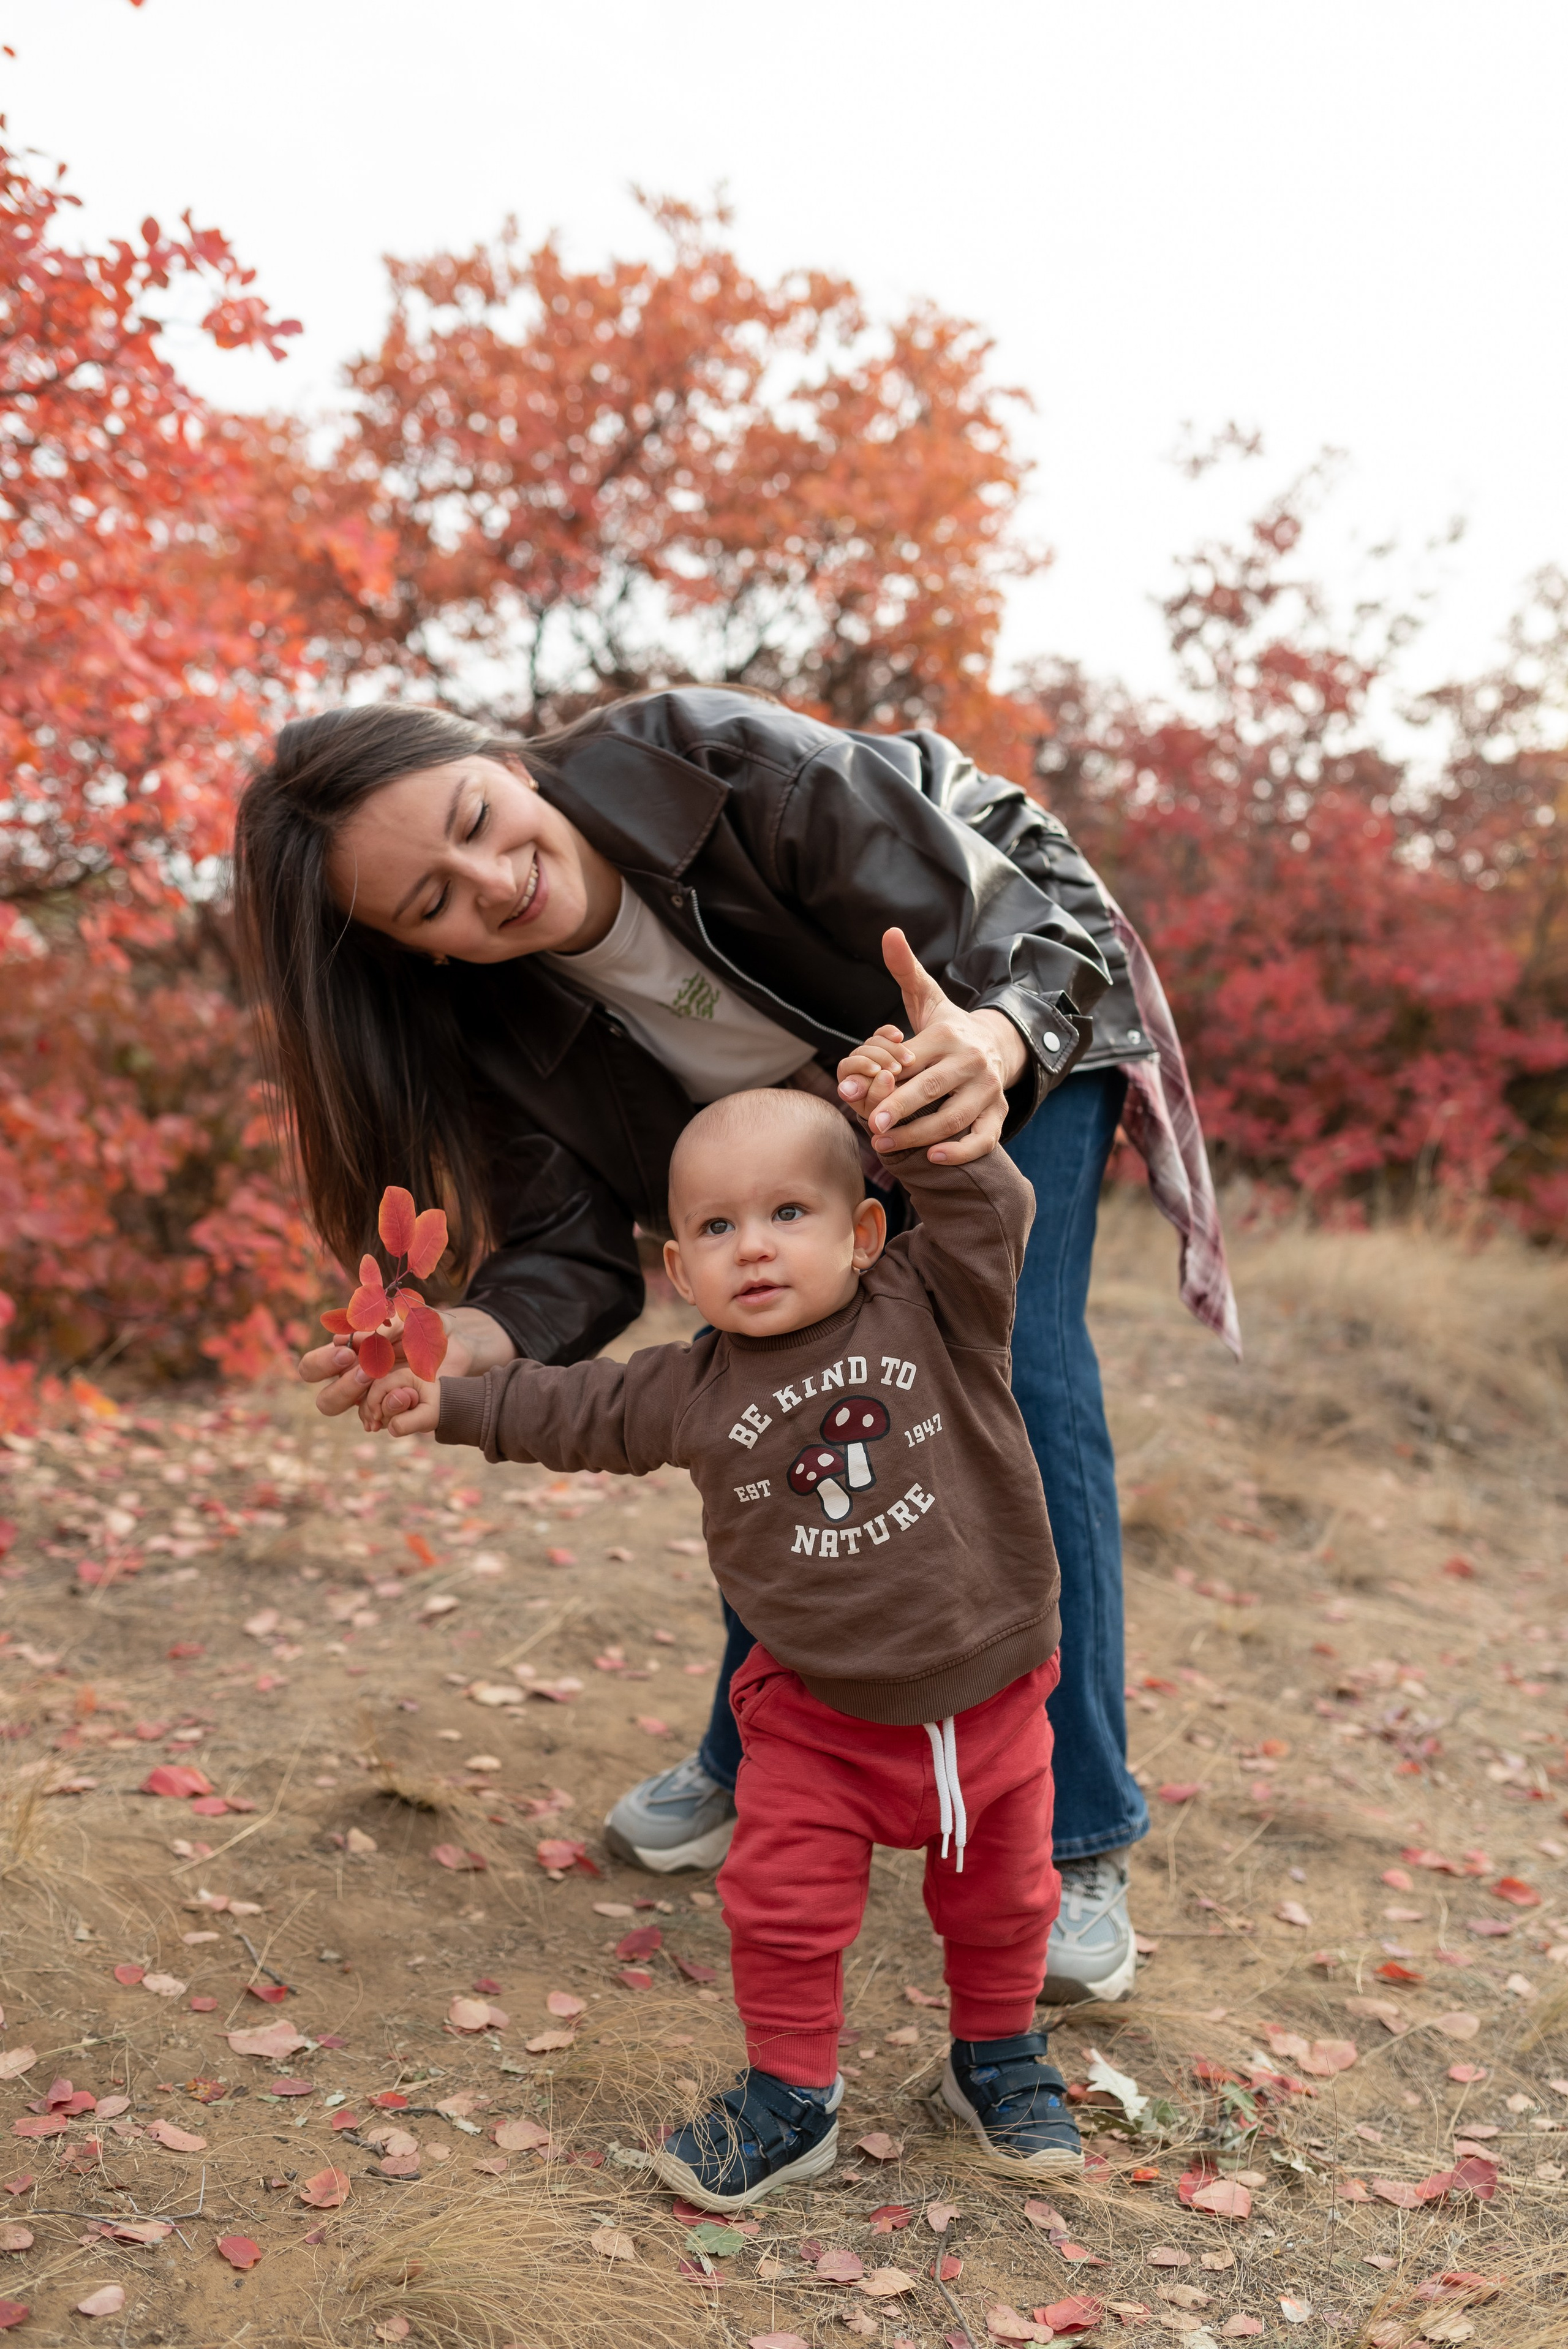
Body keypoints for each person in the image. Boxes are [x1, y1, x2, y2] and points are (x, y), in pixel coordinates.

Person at [233, 686, 1237, 2005]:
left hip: (996, 1009)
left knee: (1018, 1388)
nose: (491, 884)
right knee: (768, 1401)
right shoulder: (489, 1021)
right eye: (433, 905)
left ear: (495, 760)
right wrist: (475, 1334)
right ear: (407, 951)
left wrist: (989, 1045)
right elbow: (568, 1250)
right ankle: (758, 1753)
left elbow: (1015, 928)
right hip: (793, 1131)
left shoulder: (722, 767)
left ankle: (1079, 1833)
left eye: (477, 823)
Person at [355, 1069, 1083, 2206]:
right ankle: (795, 2096)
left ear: (863, 1231)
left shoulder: (936, 1301)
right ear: (680, 1270)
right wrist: (448, 1405)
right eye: (717, 1225)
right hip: (816, 1716)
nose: (755, 1245)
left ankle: (994, 2052)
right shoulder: (691, 1387)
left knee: (1005, 1898)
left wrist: (929, 1123)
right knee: (780, 1903)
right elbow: (572, 1410)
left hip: (987, 1697)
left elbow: (993, 1211)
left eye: (790, 1212)